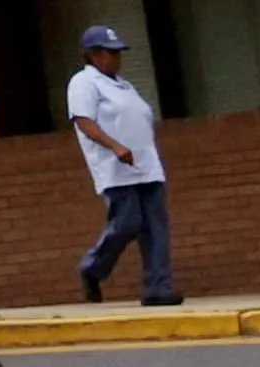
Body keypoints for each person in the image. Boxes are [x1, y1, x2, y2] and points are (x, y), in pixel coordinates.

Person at [68, 24, 172, 306]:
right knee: (127, 223)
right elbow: (84, 121)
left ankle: (158, 288)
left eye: (118, 53)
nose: (116, 59)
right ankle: (92, 268)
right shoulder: (83, 82)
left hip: (147, 167)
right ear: (93, 54)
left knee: (156, 229)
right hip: (116, 169)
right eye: (110, 53)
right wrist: (115, 146)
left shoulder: (124, 85)